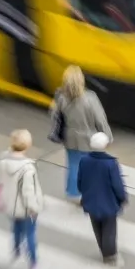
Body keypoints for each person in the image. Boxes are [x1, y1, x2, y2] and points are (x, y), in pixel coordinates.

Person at [49, 65, 110, 202]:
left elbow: (54, 115)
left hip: (70, 138)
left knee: (73, 165)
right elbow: (100, 119)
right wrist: (107, 136)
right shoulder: (90, 98)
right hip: (89, 139)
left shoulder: (61, 97)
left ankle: (75, 191)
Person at [0, 129, 44, 269]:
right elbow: (28, 193)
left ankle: (16, 250)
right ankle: (33, 261)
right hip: (25, 207)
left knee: (16, 227)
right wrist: (34, 208)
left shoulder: (2, 161)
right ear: (27, 146)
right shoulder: (27, 168)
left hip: (9, 202)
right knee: (30, 233)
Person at [77, 131, 127, 266]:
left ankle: (103, 250)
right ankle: (110, 256)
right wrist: (122, 198)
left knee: (97, 228)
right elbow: (117, 184)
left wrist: (83, 193)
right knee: (109, 230)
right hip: (108, 202)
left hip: (91, 200)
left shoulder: (84, 160)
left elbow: (80, 180)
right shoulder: (110, 164)